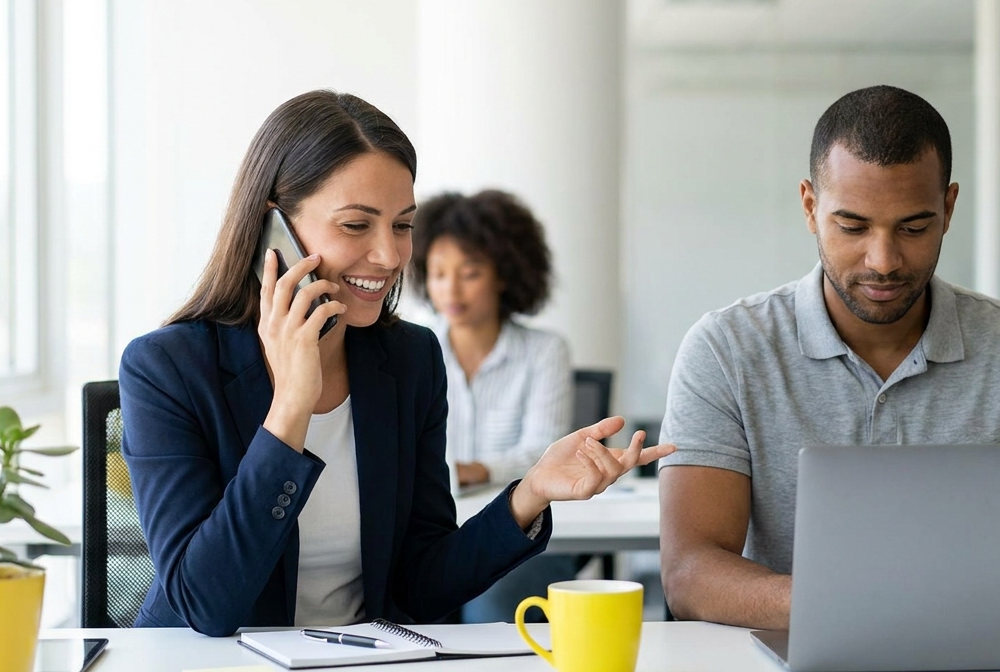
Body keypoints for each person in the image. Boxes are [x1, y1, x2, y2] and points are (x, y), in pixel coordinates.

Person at [118, 90, 672, 638]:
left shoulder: (409, 360)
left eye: (402, 225)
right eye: (356, 225)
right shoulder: (166, 369)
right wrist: (291, 406)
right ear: (274, 230)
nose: (389, 256)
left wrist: (530, 493)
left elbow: (417, 586)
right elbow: (206, 605)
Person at [657, 85, 1000, 631]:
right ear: (811, 208)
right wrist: (857, 606)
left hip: (981, 665)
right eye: (853, 226)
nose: (883, 261)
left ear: (949, 208)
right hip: (790, 670)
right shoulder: (726, 348)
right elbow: (690, 572)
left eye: (913, 227)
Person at [409, 189, 580, 622]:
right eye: (438, 273)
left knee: (489, 607)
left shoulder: (544, 351)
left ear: (503, 274)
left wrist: (475, 471)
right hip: (435, 534)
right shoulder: (411, 351)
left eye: (470, 273)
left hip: (522, 533)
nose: (451, 288)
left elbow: (544, 454)